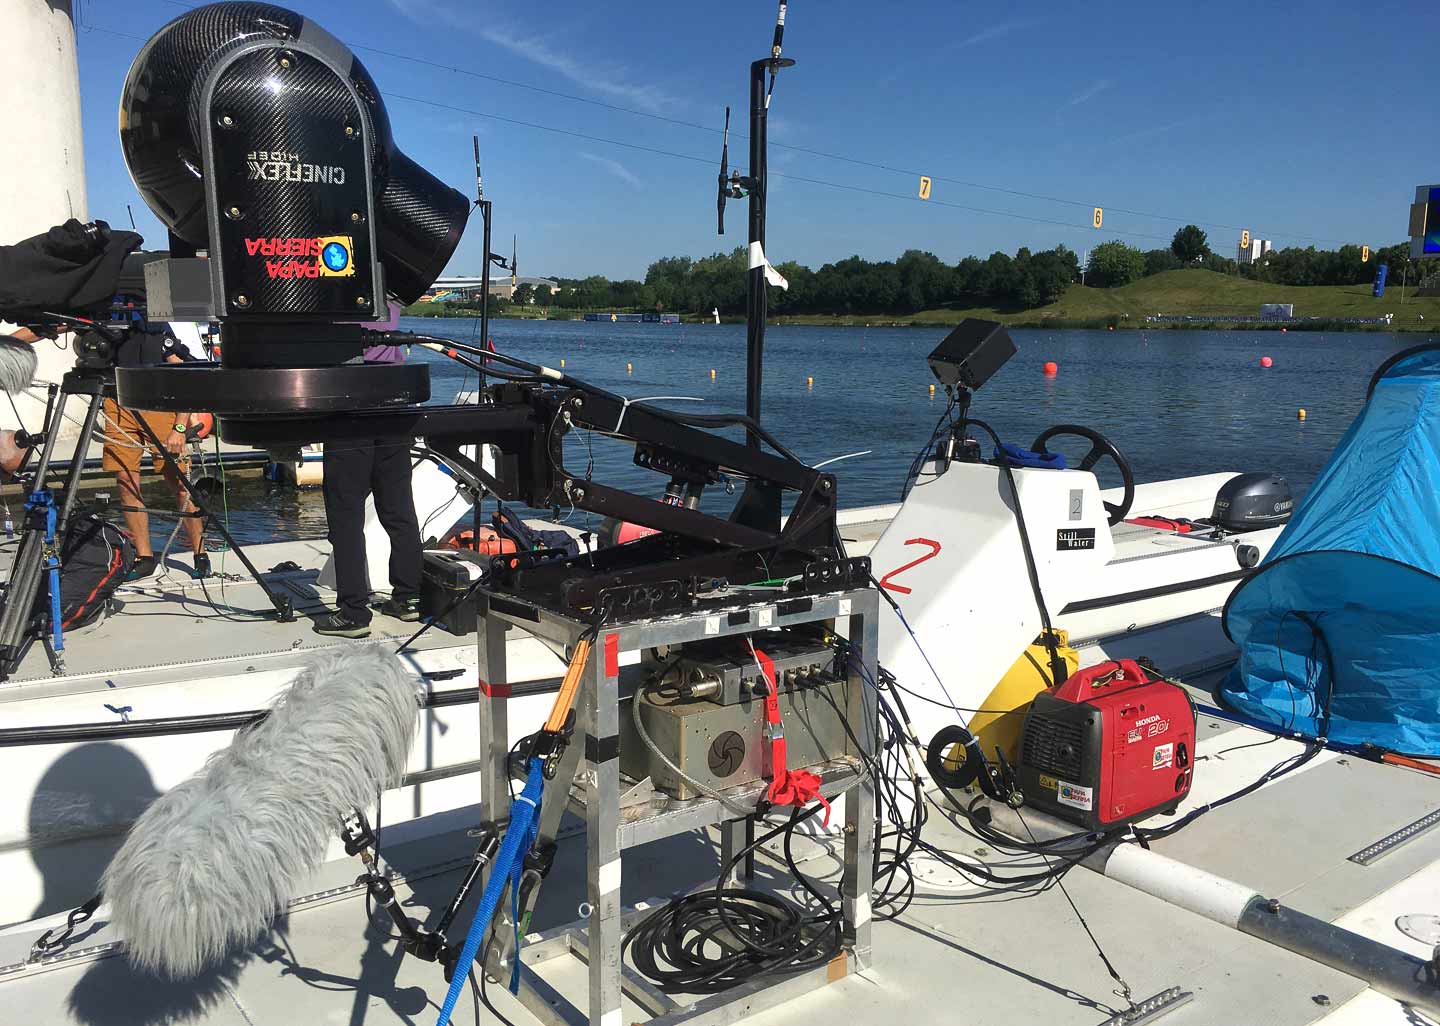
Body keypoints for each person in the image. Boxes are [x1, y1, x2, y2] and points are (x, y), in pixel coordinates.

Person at [314, 304, 421, 638]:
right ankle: (408, 599)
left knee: (346, 514)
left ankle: (353, 612)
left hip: (351, 394)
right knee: (398, 508)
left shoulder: (336, 281)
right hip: (394, 394)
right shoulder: (390, 283)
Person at [101, 326, 207, 580]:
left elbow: (185, 378)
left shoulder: (156, 328)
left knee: (179, 483)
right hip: (117, 402)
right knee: (126, 482)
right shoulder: (106, 322)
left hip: (156, 401)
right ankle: (145, 556)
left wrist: (179, 428)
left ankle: (200, 553)